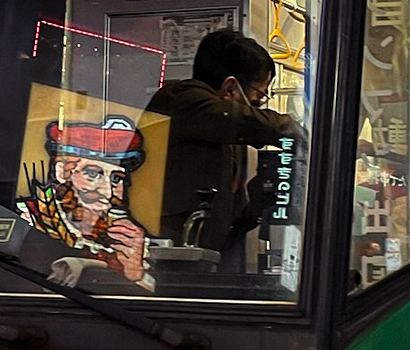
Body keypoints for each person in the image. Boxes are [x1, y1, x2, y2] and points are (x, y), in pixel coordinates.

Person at [145, 31, 299, 258]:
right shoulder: (180, 101)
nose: (257, 107)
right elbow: (248, 121)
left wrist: (256, 203)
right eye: (257, 100)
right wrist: (303, 132)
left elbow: (224, 223)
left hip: (200, 257)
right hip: (163, 258)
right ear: (230, 87)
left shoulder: (221, 131)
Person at [18, 116, 150, 282]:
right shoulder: (28, 220)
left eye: (116, 179)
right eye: (93, 174)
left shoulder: (128, 237)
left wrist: (135, 272)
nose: (108, 192)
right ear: (62, 172)